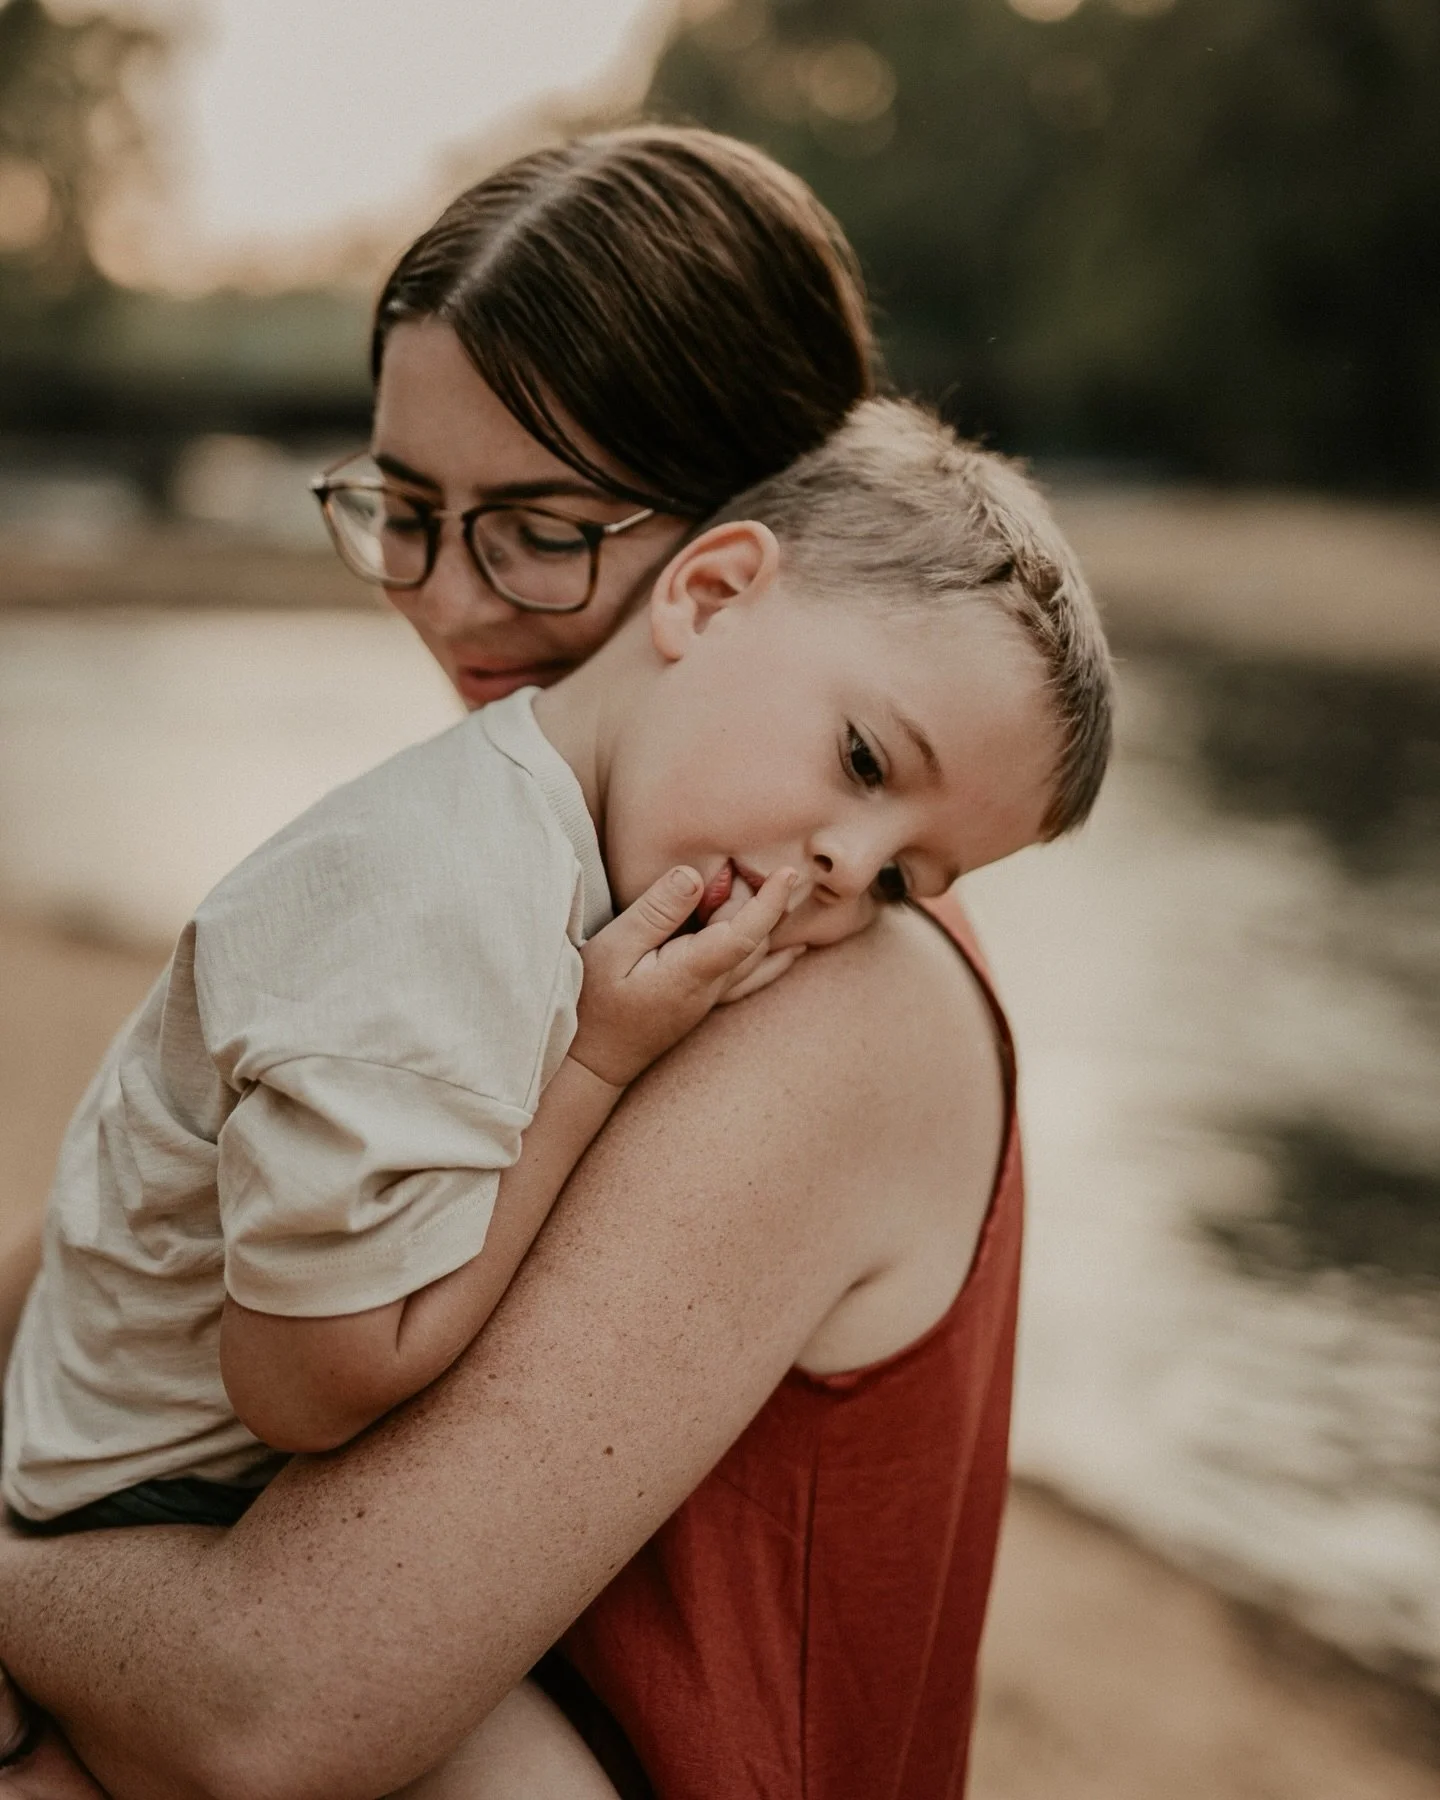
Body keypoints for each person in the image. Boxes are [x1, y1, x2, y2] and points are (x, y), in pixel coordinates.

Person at [0, 127, 1112, 1800]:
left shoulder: (816, 980)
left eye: (536, 527)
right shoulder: (550, 873)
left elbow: (273, 1708)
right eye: (402, 510)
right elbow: (108, 1233)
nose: (446, 606)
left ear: (732, 553)